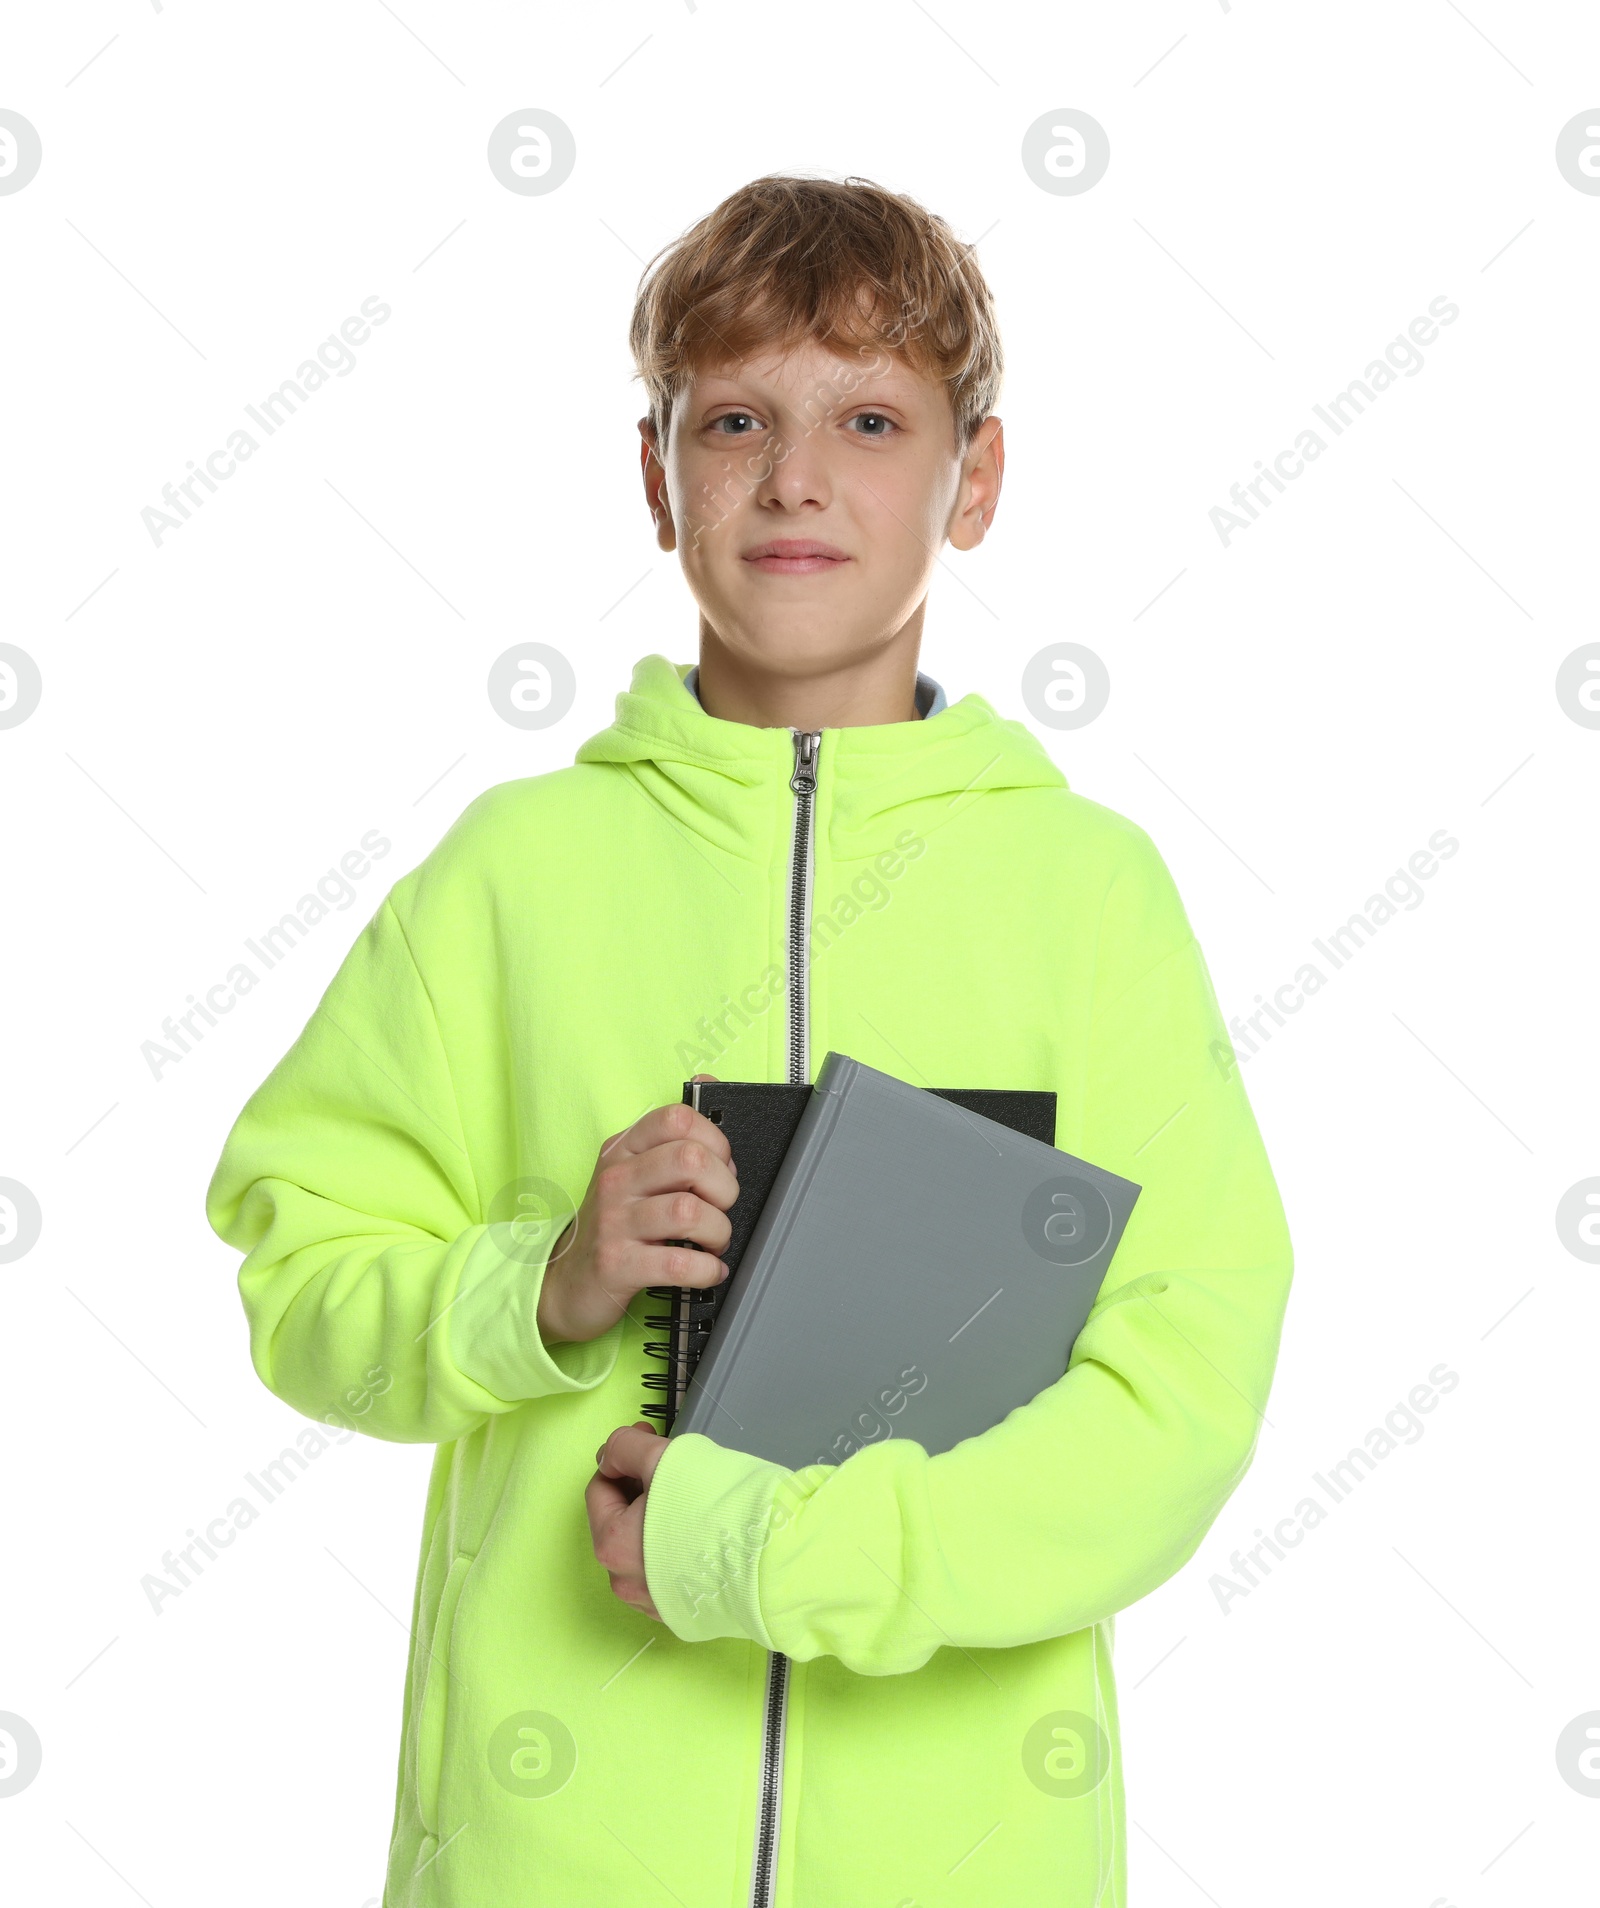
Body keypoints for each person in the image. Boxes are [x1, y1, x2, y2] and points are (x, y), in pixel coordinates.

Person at [205, 171, 1293, 1907]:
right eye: (734, 419)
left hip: (966, 1862)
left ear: (977, 479)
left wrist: (769, 1555)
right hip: (550, 1857)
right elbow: (299, 1287)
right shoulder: (509, 876)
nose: (795, 476)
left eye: (870, 416)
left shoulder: (1089, 895)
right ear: (659, 478)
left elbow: (1181, 1393)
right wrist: (537, 1286)